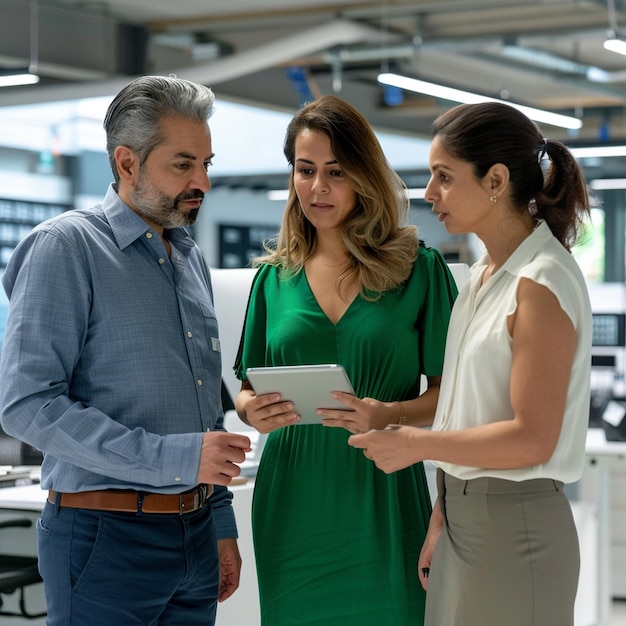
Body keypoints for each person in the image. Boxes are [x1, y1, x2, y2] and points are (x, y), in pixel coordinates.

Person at [0, 75, 252, 626]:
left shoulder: (189, 259)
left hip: (194, 533)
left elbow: (205, 414)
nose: (202, 181)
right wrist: (176, 458)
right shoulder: (65, 247)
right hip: (104, 538)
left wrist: (221, 525)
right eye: (182, 164)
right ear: (127, 162)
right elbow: (26, 404)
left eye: (206, 163)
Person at [348, 101, 592, 626]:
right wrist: (442, 514)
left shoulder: (542, 282)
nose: (429, 193)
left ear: (496, 180)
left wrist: (412, 443)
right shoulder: (480, 280)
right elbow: (468, 416)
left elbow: (532, 439)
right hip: (463, 519)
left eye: (444, 177)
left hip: (517, 524)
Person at [233, 95, 458, 625]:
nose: (317, 187)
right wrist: (250, 411)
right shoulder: (272, 278)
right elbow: (244, 389)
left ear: (364, 176)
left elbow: (452, 396)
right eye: (305, 170)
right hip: (292, 502)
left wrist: (390, 415)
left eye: (335, 172)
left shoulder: (419, 271)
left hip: (383, 496)